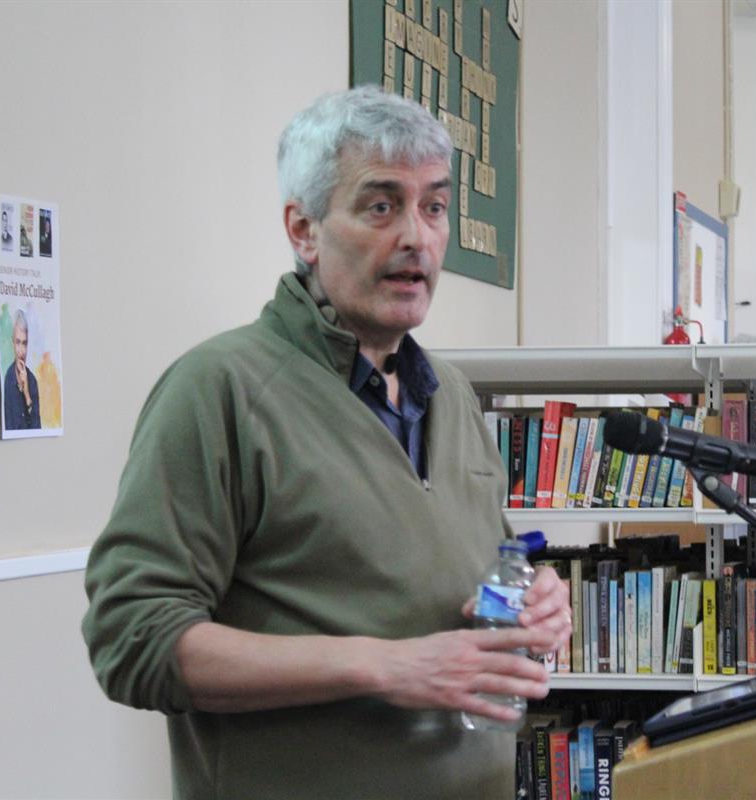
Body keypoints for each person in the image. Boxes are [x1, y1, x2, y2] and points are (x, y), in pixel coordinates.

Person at [81, 87, 571, 799]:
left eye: (434, 206)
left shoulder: (453, 395)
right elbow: (132, 640)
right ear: (304, 229)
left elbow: (475, 566)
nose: (417, 237)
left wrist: (533, 598)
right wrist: (384, 666)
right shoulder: (219, 390)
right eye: (382, 206)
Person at [3, 310, 40, 430]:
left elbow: (37, 428)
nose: (21, 351)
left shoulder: (32, 381)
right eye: (18, 342)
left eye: (24, 343)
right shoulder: (8, 378)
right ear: (13, 343)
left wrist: (27, 394)